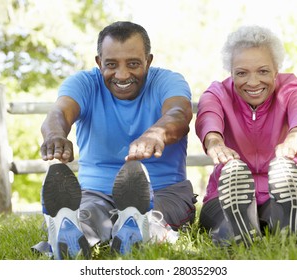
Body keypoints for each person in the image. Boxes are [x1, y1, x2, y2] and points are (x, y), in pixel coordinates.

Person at [33, 21, 197, 259]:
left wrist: (156, 133)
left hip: (163, 190)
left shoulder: (168, 81)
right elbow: (59, 113)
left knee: (151, 217)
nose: (122, 75)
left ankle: (142, 227)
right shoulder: (84, 83)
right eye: (111, 65)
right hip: (95, 193)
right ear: (99, 62)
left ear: (148, 61)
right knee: (88, 216)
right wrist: (55, 135)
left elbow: (179, 115)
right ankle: (70, 229)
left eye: (133, 64)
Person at [195, 25, 297, 247]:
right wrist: (214, 141)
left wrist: (295, 135)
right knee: (223, 217)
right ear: (231, 72)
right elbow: (208, 116)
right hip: (225, 192)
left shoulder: (290, 88)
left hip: (283, 188)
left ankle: (289, 224)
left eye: (263, 71)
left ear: (276, 70)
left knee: (296, 212)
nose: (253, 82)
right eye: (242, 73)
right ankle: (238, 226)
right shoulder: (218, 93)